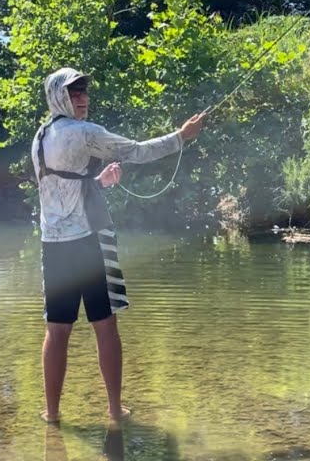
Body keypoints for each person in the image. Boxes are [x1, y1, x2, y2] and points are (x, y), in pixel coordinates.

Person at [31, 67, 205, 424]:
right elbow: (138, 152)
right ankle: (113, 410)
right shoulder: (83, 133)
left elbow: (65, 187)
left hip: (54, 245)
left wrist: (98, 180)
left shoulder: (41, 137)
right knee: (105, 324)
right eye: (74, 93)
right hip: (90, 243)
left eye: (84, 92)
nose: (83, 99)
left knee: (57, 328)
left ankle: (52, 415)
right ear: (59, 97)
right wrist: (181, 136)